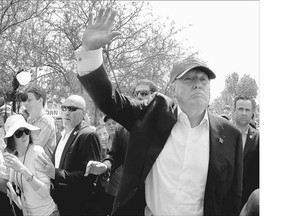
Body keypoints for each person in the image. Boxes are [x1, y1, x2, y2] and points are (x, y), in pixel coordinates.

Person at [77, 8, 243, 216]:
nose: (197, 84)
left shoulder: (230, 135)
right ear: (173, 88)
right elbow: (111, 101)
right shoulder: (154, 113)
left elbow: (232, 197)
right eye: (189, 79)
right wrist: (91, 52)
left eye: (203, 80)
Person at [86, 79, 158, 215]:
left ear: (155, 96)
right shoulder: (121, 128)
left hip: (157, 194)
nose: (139, 97)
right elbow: (114, 156)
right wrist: (105, 166)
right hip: (130, 198)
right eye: (136, 94)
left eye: (144, 93)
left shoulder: (164, 126)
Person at [36, 95, 102, 216]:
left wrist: (55, 173)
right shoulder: (63, 135)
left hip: (79, 206)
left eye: (72, 109)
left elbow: (89, 176)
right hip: (60, 203)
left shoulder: (88, 135)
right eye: (64, 108)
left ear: (83, 113)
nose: (66, 112)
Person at [3, 114, 59, 216]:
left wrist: (23, 170)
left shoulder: (36, 152)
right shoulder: (14, 157)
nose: (24, 135)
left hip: (48, 213)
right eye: (18, 133)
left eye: (26, 131)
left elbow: (46, 192)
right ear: (11, 138)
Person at [233, 96, 259, 208]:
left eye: (247, 110)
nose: (244, 113)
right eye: (240, 109)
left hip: (248, 202)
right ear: (233, 111)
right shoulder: (222, 134)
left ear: (252, 113)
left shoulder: (259, 139)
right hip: (224, 200)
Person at [25, 86, 56, 159]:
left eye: (29, 100)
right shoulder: (29, 120)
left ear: (40, 101)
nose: (26, 103)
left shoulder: (46, 121)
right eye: (25, 100)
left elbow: (35, 149)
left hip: (42, 168)